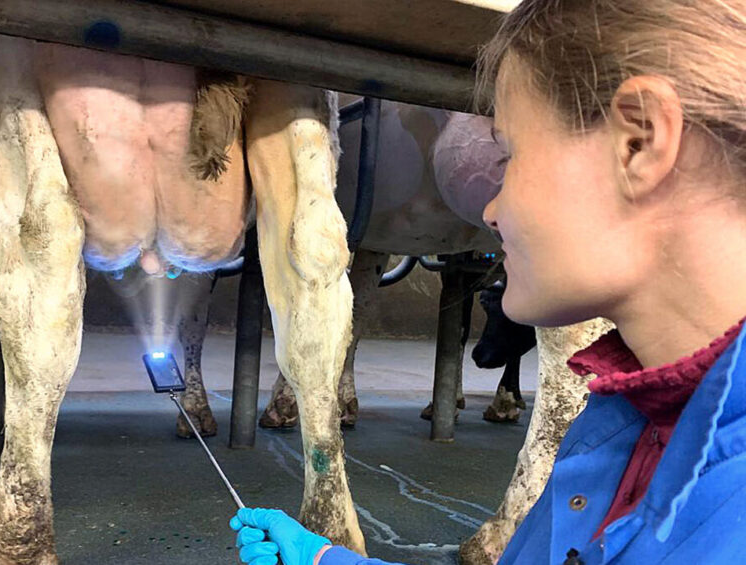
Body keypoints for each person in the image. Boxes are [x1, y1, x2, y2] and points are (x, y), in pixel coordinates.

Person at [230, 0, 746, 563]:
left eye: (510, 153)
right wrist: (325, 560)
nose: (493, 208)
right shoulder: (623, 424)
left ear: (639, 142)